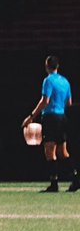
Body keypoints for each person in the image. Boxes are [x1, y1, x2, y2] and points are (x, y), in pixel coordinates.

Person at [22, 55, 78, 193]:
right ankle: (76, 178)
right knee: (62, 152)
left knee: (49, 150)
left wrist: (31, 117)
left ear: (47, 66)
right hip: (62, 117)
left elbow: (44, 101)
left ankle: (54, 183)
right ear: (57, 66)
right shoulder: (65, 81)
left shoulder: (48, 80)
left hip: (51, 117)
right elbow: (69, 103)